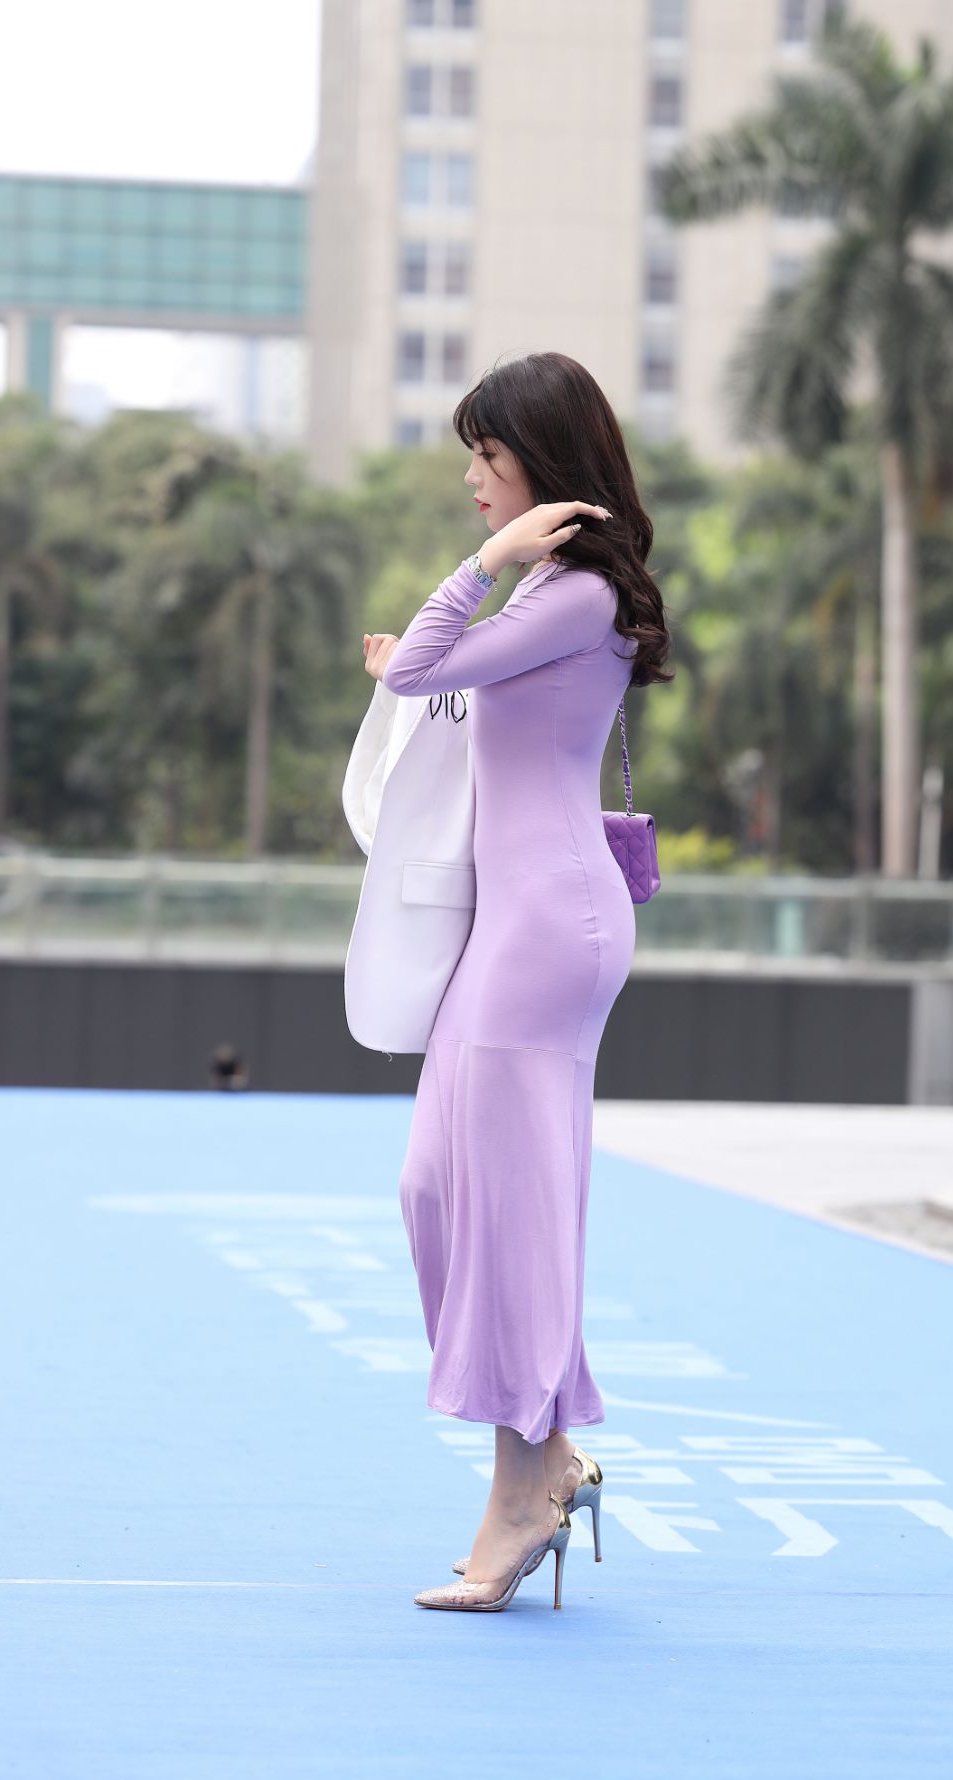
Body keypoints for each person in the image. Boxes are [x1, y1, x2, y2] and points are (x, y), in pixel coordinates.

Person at [361, 351, 672, 1612]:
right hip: (518, 922)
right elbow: (435, 673)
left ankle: (522, 1489)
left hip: (549, 930)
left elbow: (423, 669)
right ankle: (546, 1462)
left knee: (508, 1207)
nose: (473, 480)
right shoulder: (556, 591)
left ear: (543, 461)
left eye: (487, 457)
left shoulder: (576, 591)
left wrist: (478, 571)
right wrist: (460, 612)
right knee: (438, 1185)